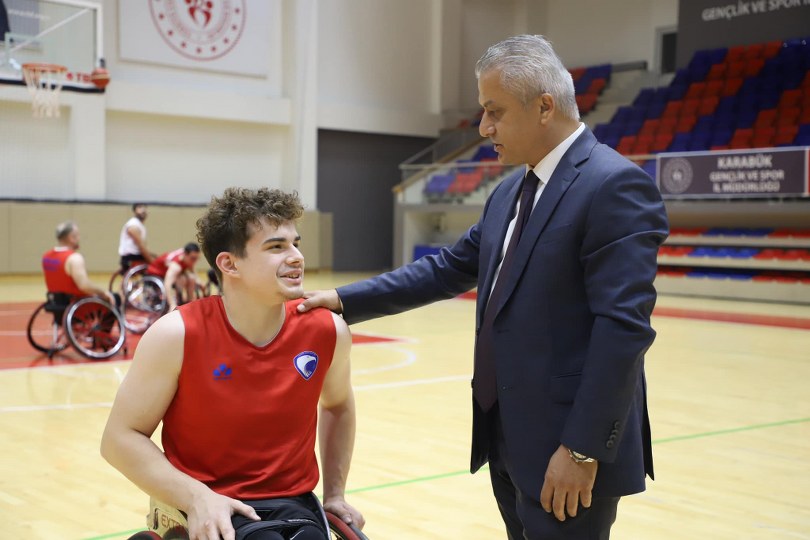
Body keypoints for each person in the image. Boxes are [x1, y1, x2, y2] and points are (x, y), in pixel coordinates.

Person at [298, 35, 669, 539]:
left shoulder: (614, 185)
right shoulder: (510, 191)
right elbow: (446, 269)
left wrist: (582, 450)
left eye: (494, 111)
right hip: (508, 438)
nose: (483, 127)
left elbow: (623, 329)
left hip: (569, 451)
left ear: (544, 107)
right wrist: (343, 300)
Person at [101, 187, 363, 540]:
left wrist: (334, 494)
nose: (296, 256)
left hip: (293, 504)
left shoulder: (327, 329)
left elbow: (338, 405)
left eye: (295, 243)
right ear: (229, 263)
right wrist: (196, 498)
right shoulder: (176, 335)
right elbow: (119, 438)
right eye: (276, 247)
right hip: (205, 500)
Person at [42, 220, 117, 307]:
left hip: (56, 302)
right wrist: (103, 291)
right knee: (115, 297)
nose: (79, 238)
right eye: (77, 235)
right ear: (71, 238)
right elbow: (84, 286)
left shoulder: (46, 256)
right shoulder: (74, 258)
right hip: (77, 303)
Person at [145, 242, 202, 311]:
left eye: (196, 258)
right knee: (182, 279)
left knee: (192, 278)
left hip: (167, 273)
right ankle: (179, 302)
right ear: (185, 255)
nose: (194, 261)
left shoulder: (186, 255)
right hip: (154, 275)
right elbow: (167, 284)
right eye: (193, 258)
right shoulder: (175, 266)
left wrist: (199, 281)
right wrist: (172, 304)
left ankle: (190, 302)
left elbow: (191, 269)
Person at [118, 203, 154, 271]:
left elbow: (143, 247)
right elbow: (141, 247)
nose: (143, 210)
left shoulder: (140, 226)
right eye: (140, 207)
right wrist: (152, 261)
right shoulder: (133, 225)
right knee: (156, 266)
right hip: (131, 257)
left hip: (137, 255)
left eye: (144, 207)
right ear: (135, 211)